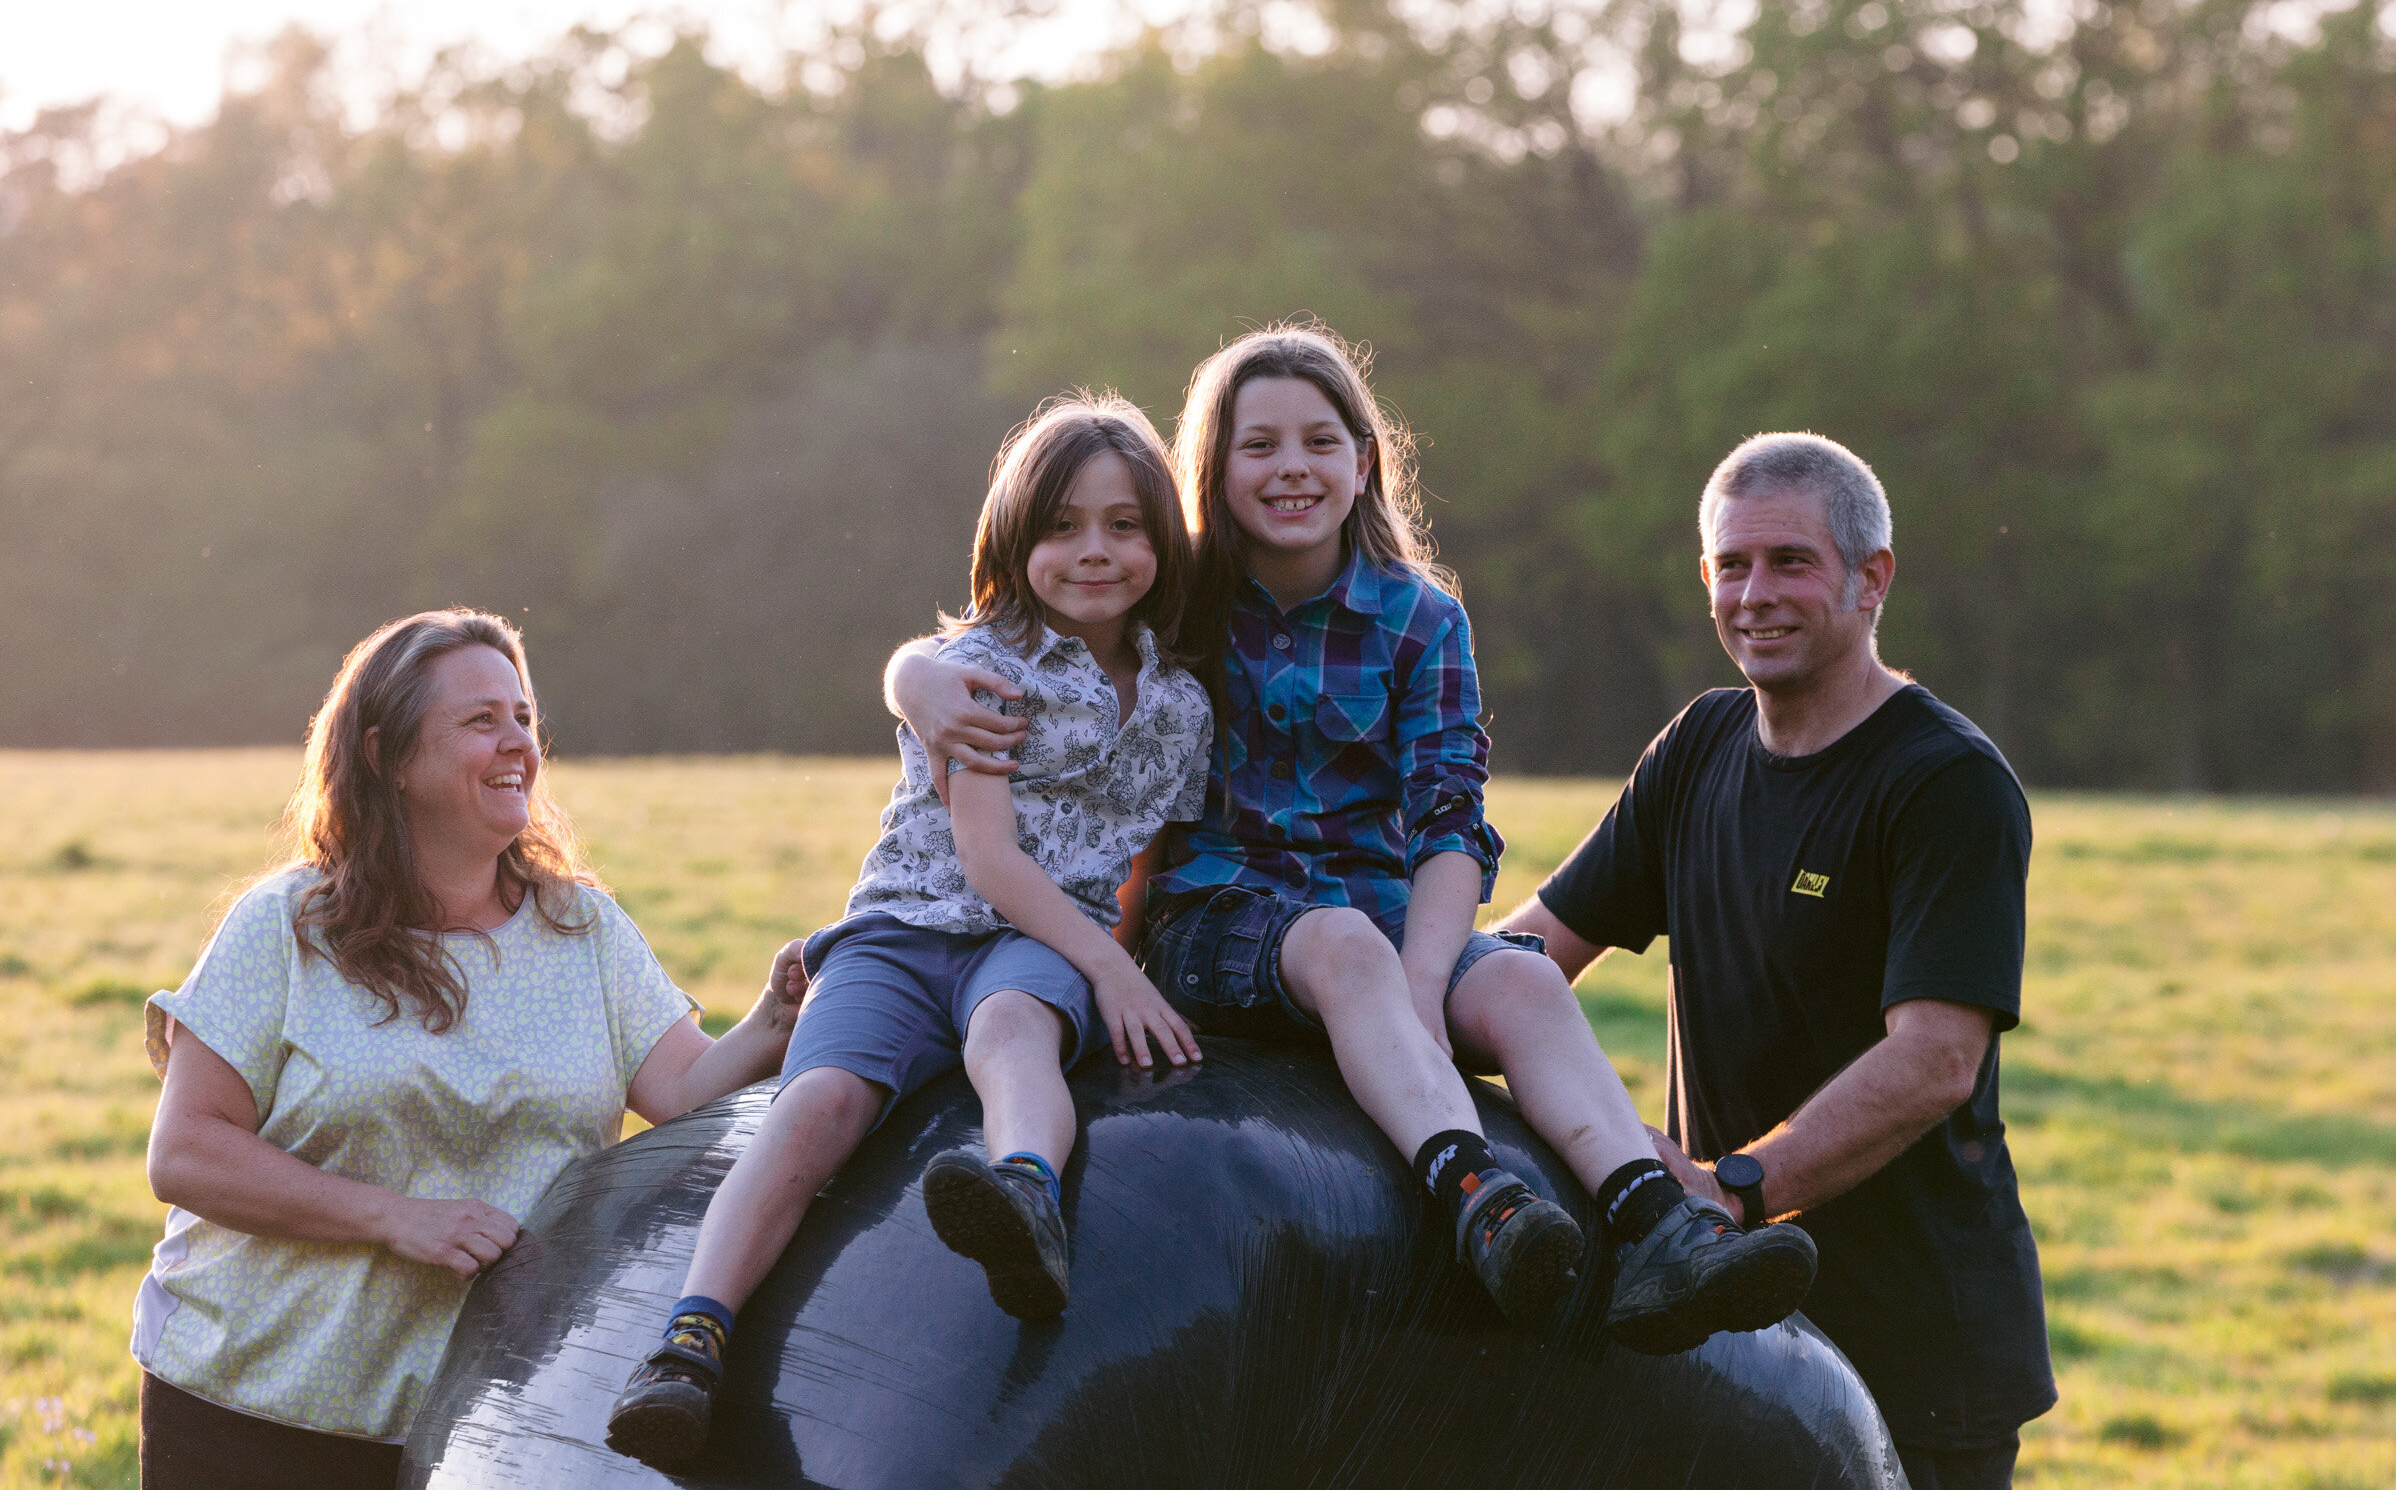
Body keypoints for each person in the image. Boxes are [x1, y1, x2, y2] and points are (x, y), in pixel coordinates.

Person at [893, 325, 1816, 1353]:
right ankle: (1480, 1196)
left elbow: (1449, 819)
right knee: (1340, 944)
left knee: (1523, 982)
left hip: (1380, 923)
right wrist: (911, 674)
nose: (1292, 465)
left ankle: (1657, 1227)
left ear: (1363, 459)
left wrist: (1424, 986)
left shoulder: (1422, 619)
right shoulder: (1181, 593)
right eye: (1259, 445)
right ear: (1214, 468)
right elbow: (1018, 616)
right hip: (1220, 920)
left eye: (1321, 440)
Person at [604, 396, 1214, 1469]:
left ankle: (1022, 1187)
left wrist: (1121, 967)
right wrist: (1111, 968)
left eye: (1125, 525)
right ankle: (690, 1338)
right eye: (1063, 525)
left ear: (1164, 540)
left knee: (1015, 1033)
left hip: (1039, 942)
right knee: (817, 1101)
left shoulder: (1179, 703)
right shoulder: (982, 667)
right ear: (1015, 539)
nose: (1095, 551)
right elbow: (986, 858)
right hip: (902, 931)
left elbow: (1143, 860)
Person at [1493, 433, 2058, 1488]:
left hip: (1917, 1342)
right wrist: (1362, 1005)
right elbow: (1523, 955)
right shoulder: (1700, 745)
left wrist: (1729, 1188)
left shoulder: (1944, 782)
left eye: (1790, 560)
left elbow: (1936, 1057)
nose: (1755, 592)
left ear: (1870, 576)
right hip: (1732, 1322)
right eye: (1731, 565)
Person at [136, 609, 804, 1490]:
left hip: (482, 1427)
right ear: (389, 755)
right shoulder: (284, 927)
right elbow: (185, 1153)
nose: (517, 743)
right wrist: (396, 1216)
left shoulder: (584, 928)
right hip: (257, 1399)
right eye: (480, 721)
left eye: (523, 717)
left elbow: (682, 1086)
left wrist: (773, 1015)